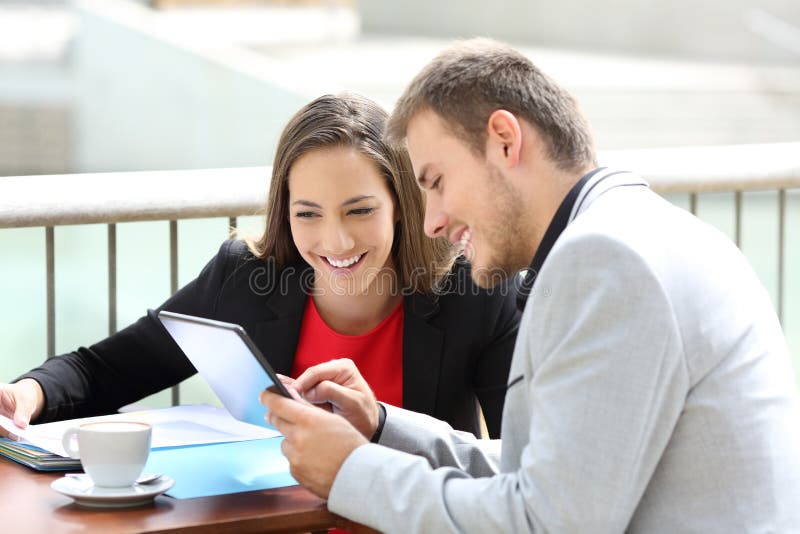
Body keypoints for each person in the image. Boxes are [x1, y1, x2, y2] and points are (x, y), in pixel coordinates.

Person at [261, 39, 800, 532]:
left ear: (503, 141)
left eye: (436, 182)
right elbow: (550, 473)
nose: (431, 222)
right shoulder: (633, 234)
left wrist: (352, 472)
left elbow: (546, 523)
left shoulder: (607, 261)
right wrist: (380, 427)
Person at [0, 93, 519, 440]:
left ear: (400, 205)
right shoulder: (244, 277)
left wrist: (381, 429)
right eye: (307, 214)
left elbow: (524, 466)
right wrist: (26, 395)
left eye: (360, 210)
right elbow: (105, 370)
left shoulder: (474, 292)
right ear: (284, 212)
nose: (335, 240)